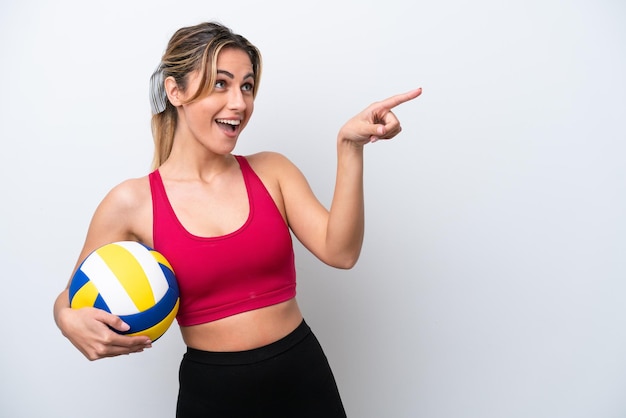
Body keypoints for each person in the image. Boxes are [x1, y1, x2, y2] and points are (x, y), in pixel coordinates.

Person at [53, 21, 421, 417]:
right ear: (175, 91)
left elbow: (342, 251)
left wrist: (349, 147)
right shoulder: (132, 202)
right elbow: (73, 296)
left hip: (304, 380)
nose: (239, 103)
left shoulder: (272, 171)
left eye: (246, 86)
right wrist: (65, 319)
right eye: (220, 84)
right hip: (212, 396)